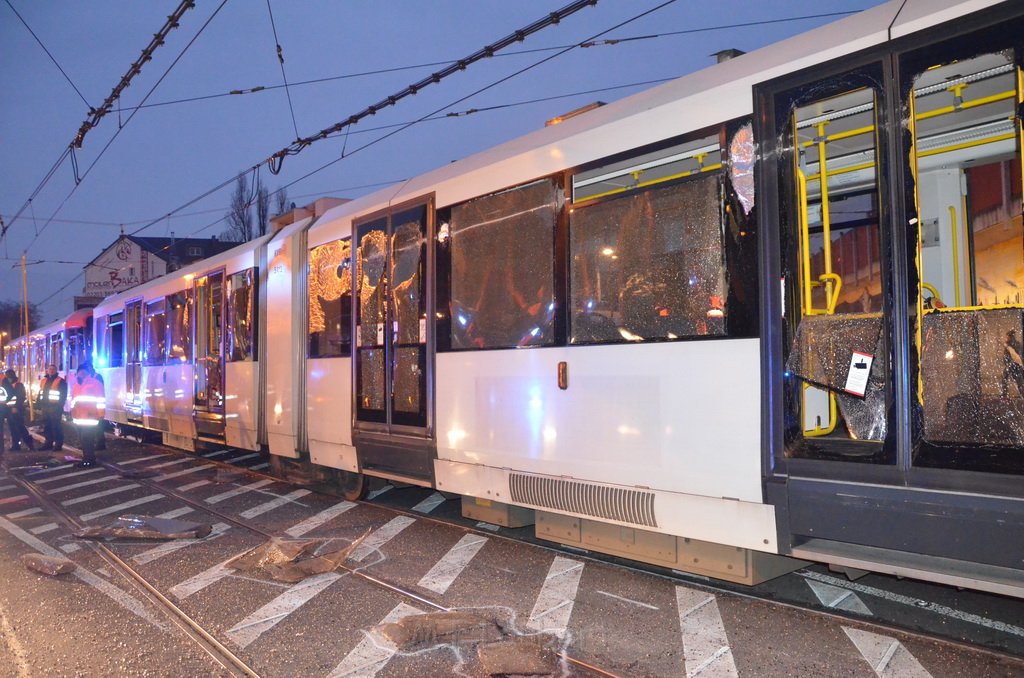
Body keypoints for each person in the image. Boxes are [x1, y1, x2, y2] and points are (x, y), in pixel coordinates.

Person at [70, 366, 105, 468]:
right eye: (80, 371)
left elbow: (101, 400)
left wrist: (101, 414)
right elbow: (73, 401)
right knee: (83, 440)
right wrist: (72, 412)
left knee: (87, 439)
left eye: (83, 371)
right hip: (78, 418)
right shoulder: (76, 385)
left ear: (87, 372)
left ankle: (89, 460)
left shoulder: (95, 384)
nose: (81, 373)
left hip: (90, 417)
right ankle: (86, 458)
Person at [36, 364, 67, 451]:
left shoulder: (60, 381)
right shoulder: (44, 380)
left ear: (56, 370)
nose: (51, 371)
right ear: (47, 370)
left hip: (55, 407)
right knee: (47, 426)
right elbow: (41, 392)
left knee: (56, 426)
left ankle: (58, 445)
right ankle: (48, 443)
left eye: (53, 369)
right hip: (45, 407)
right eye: (50, 369)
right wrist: (38, 402)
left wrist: (60, 406)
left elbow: (63, 395)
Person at [4, 369, 34, 451]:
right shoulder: (9, 385)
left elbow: (21, 397)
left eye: (7, 376)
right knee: (13, 428)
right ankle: (16, 446)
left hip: (17, 410)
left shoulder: (18, 385)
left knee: (20, 427)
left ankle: (30, 444)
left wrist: (16, 407)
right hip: (10, 410)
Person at [83, 362, 106, 451]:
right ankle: (96, 443)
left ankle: (100, 443)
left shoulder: (97, 377)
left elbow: (99, 392)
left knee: (98, 427)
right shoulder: (88, 377)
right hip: (88, 407)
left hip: (95, 407)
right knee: (93, 428)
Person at [1003, 329, 1024, 398]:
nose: (1006, 338)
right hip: (1016, 364)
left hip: (1014, 364)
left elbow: (1015, 356)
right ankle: (1021, 394)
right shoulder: (1016, 344)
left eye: (1007, 336)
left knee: (1007, 377)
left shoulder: (1010, 345)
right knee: (1018, 379)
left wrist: (1008, 363)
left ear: (1010, 337)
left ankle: (1005, 394)